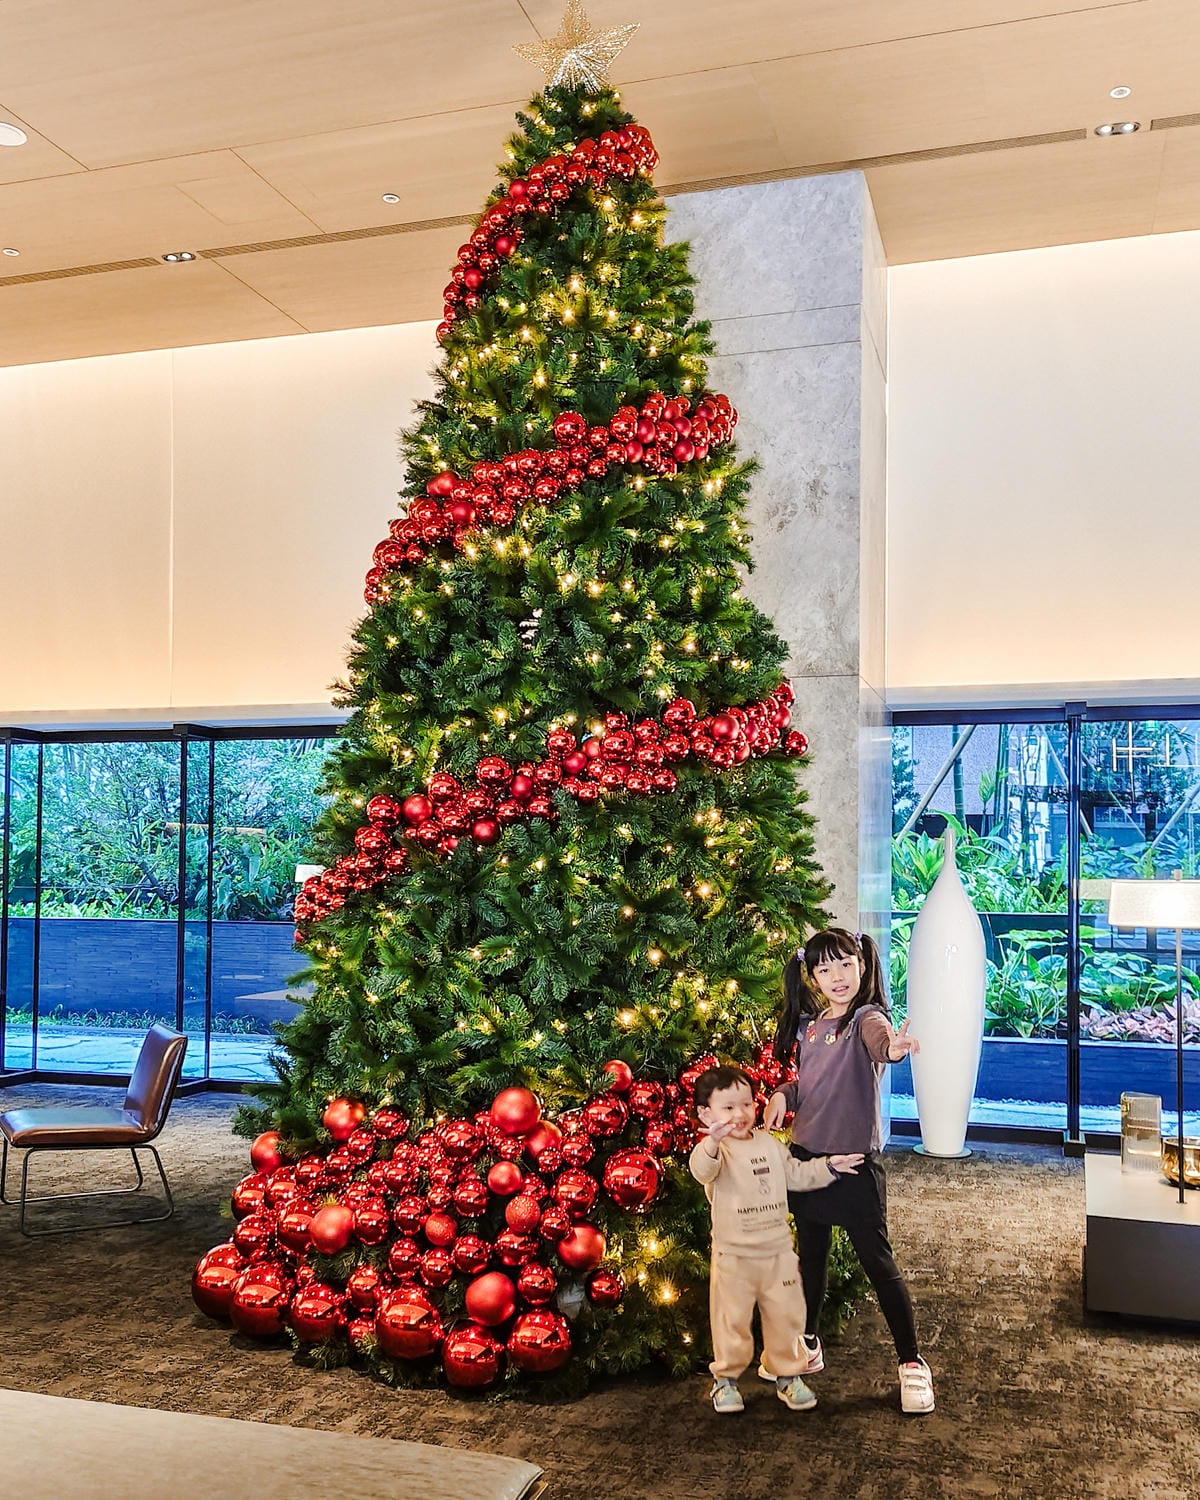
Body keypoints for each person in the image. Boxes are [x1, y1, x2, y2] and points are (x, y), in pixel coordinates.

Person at [762, 927, 936, 1416]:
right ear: (813, 978)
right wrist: (783, 1096)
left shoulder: (867, 1018)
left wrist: (894, 1049)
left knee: (878, 1264)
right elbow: (808, 1085)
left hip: (854, 1168)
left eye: (845, 964)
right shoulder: (811, 1027)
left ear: (862, 965)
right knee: (811, 1259)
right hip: (807, 1162)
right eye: (825, 968)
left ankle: (911, 1362)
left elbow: (881, 1044)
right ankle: (807, 1343)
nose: (837, 976)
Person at [690, 1063, 864, 1415]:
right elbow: (701, 1171)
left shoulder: (769, 1145)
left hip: (777, 1251)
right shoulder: (715, 1151)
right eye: (728, 1107)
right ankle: (726, 1380)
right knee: (731, 1319)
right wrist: (712, 1142)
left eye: (747, 1104)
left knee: (787, 1315)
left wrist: (829, 1166)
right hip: (734, 1255)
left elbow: (796, 1174)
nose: (740, 1114)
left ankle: (787, 1375)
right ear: (705, 1114)